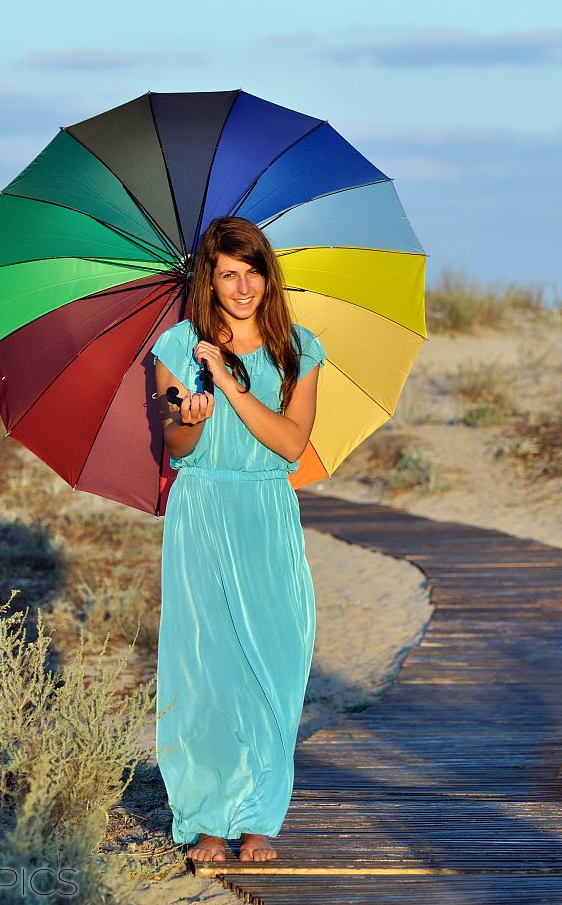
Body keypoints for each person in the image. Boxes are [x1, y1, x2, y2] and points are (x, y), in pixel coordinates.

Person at [150, 216, 327, 864]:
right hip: (201, 511)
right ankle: (208, 820)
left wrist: (227, 383)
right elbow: (177, 446)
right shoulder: (177, 347)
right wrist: (190, 415)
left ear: (268, 274)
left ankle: (260, 815)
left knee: (276, 662)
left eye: (253, 270)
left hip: (266, 513)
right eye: (229, 272)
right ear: (210, 278)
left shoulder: (298, 350)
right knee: (205, 669)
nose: (243, 285)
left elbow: (290, 444)